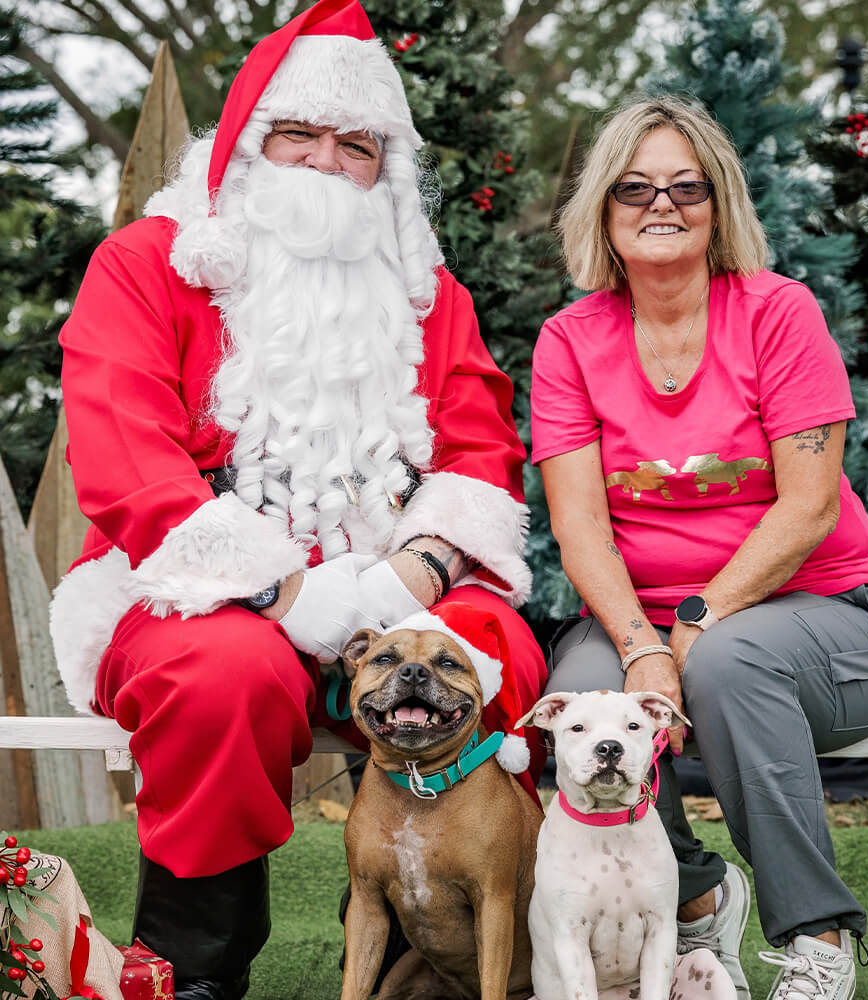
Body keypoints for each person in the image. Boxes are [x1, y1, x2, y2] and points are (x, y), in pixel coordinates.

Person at [50, 2, 547, 997]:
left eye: (354, 144)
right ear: (243, 148)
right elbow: (123, 456)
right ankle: (194, 972)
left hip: (396, 589)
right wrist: (282, 592)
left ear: (383, 168)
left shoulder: (425, 290)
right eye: (298, 136)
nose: (325, 164)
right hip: (196, 592)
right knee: (217, 677)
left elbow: (482, 444)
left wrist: (417, 572)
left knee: (495, 652)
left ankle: (433, 951)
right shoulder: (149, 264)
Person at [530, 94, 868, 1000]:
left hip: (835, 620)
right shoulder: (570, 340)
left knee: (729, 662)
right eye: (634, 188)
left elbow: (809, 508)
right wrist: (639, 644)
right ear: (603, 207)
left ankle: (817, 940)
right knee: (579, 700)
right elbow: (581, 525)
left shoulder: (778, 314)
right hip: (651, 616)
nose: (660, 205)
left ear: (720, 204)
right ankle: (699, 896)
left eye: (686, 186)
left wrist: (696, 623)